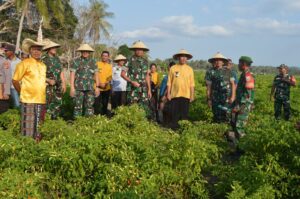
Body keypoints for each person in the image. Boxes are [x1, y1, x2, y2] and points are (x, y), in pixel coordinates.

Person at [12, 38, 47, 140]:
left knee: (38, 126)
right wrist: (21, 91)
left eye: (39, 50)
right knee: (27, 127)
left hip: (41, 99)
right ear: (30, 51)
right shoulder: (24, 63)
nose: (37, 52)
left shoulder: (43, 65)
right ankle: (26, 147)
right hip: (28, 99)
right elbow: (15, 80)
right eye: (34, 49)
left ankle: (36, 149)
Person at [121, 41, 152, 118]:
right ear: (134, 50)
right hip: (132, 89)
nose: (139, 51)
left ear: (143, 51)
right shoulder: (128, 60)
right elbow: (122, 74)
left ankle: (142, 125)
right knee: (132, 108)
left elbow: (147, 76)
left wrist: (149, 90)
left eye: (141, 50)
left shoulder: (146, 62)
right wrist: (131, 81)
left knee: (144, 109)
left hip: (143, 89)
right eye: (137, 49)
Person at [167, 49, 195, 130]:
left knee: (184, 115)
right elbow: (169, 82)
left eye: (184, 57)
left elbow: (192, 84)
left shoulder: (190, 69)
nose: (183, 58)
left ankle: (183, 131)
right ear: (178, 58)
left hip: (186, 95)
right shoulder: (173, 68)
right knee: (174, 114)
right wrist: (168, 93)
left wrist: (192, 95)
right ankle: (174, 131)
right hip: (175, 95)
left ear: (187, 58)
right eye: (181, 56)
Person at [70, 44, 100, 118]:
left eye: (87, 51)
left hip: (90, 88)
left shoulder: (93, 62)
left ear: (89, 52)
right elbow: (72, 75)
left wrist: (97, 87)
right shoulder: (75, 61)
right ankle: (77, 123)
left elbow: (96, 75)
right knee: (77, 106)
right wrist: (72, 88)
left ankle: (88, 124)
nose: (85, 53)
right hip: (78, 88)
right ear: (81, 51)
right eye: (84, 51)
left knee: (90, 106)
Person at [229, 56, 255, 142]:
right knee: (236, 125)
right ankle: (238, 147)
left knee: (239, 127)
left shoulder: (248, 76)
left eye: (239, 63)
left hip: (243, 106)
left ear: (243, 64)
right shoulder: (243, 74)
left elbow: (248, 94)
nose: (238, 65)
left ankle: (243, 148)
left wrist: (241, 106)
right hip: (240, 104)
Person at [205, 52, 236, 123]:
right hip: (215, 98)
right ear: (213, 61)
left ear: (223, 62)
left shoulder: (228, 71)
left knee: (227, 115)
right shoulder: (210, 72)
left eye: (219, 60)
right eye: (216, 60)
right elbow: (208, 87)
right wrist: (209, 99)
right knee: (216, 115)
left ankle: (226, 131)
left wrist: (233, 96)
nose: (218, 61)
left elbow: (233, 84)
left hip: (226, 98)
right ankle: (218, 131)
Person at [42, 39, 66, 119]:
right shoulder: (43, 59)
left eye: (55, 47)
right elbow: (38, 73)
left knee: (58, 103)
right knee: (47, 104)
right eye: (53, 48)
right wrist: (47, 80)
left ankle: (54, 121)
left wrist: (64, 83)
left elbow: (61, 71)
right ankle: (46, 121)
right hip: (47, 86)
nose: (55, 49)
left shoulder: (57, 59)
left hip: (58, 86)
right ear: (48, 49)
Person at [95, 51, 112, 115]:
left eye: (106, 56)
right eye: (103, 56)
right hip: (97, 88)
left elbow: (110, 77)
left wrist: (106, 83)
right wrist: (99, 83)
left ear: (108, 57)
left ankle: (104, 117)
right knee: (96, 104)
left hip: (106, 88)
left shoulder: (110, 66)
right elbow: (94, 75)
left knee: (105, 104)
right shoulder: (96, 64)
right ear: (101, 56)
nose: (104, 57)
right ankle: (96, 117)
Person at [158, 61, 175, 126]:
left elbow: (168, 87)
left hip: (165, 94)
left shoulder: (172, 76)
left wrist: (165, 95)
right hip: (162, 93)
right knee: (162, 108)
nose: (168, 68)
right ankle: (164, 122)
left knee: (163, 108)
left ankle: (164, 123)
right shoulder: (168, 75)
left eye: (169, 67)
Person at [4, 44, 21, 108]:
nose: (5, 52)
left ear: (12, 51)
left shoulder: (19, 62)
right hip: (5, 87)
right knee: (5, 105)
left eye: (6, 51)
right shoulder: (4, 61)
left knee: (16, 105)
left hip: (14, 87)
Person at [0, 47, 11, 114]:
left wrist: (6, 92)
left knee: (2, 110)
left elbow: (8, 77)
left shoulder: (4, 62)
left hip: (1, 90)